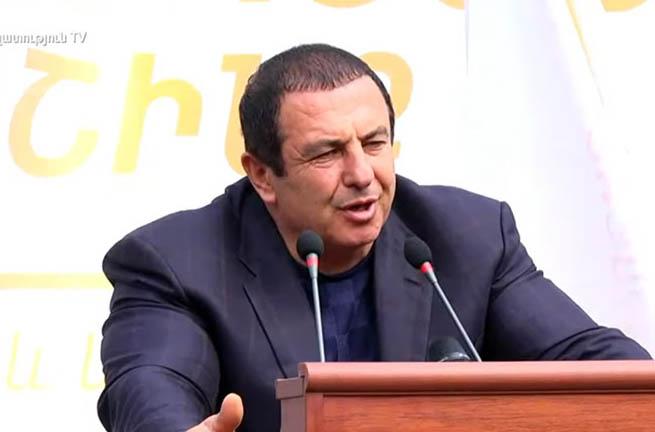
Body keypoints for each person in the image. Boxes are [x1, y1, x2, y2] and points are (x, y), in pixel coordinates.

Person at [97, 43, 651, 432]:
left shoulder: (469, 237)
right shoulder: (176, 262)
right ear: (262, 174)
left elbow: (599, 366)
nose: (363, 174)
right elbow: (150, 384)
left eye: (374, 142)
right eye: (327, 153)